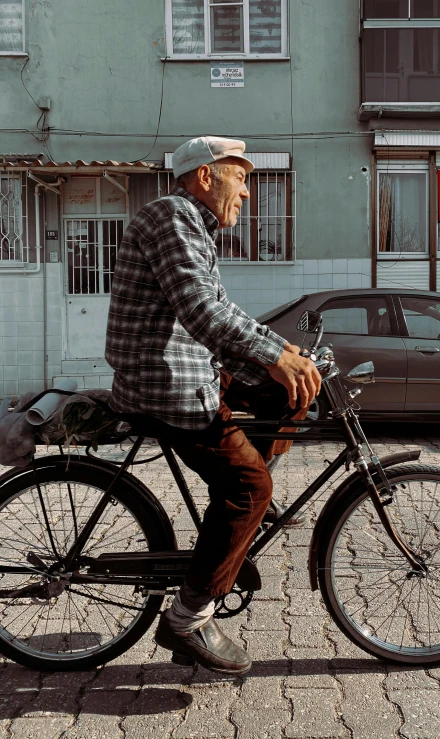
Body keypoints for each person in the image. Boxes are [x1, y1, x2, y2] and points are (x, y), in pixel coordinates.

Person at [105, 136, 321, 676]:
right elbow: (202, 312)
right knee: (250, 485)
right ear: (205, 176)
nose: (247, 193)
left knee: (288, 390)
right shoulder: (172, 217)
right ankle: (187, 619)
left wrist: (282, 353)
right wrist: (272, 354)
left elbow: (219, 306)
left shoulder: (192, 224)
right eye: (241, 178)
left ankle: (238, 520)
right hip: (166, 382)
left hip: (184, 368)